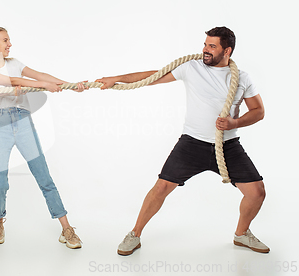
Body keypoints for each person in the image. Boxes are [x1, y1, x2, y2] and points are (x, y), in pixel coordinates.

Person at [96, 26, 268, 255]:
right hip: (192, 144)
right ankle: (135, 234)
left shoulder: (242, 77)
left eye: (212, 46)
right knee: (161, 188)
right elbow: (152, 76)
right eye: (205, 44)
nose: (205, 50)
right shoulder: (191, 68)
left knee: (257, 192)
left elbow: (258, 111)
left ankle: (241, 234)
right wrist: (116, 79)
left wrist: (234, 123)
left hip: (228, 146)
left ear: (227, 51)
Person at [0, 27, 85, 249]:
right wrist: (45, 86)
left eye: (9, 40)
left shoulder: (15, 62)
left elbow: (40, 76)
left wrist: (68, 85)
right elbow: (12, 81)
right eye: (5, 40)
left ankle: (66, 228)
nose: (9, 44)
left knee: (44, 177)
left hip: (22, 120)